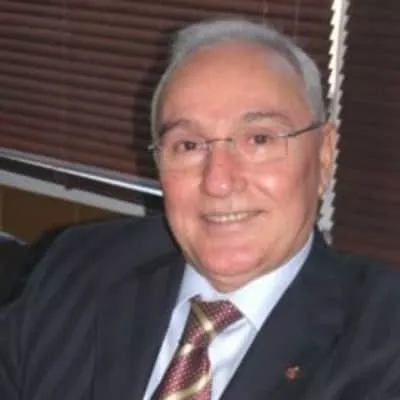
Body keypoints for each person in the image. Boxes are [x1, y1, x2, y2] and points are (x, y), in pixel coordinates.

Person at [1, 18, 400, 400]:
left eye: (259, 139)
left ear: (324, 155)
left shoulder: (384, 340)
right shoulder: (79, 265)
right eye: (189, 146)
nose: (219, 181)